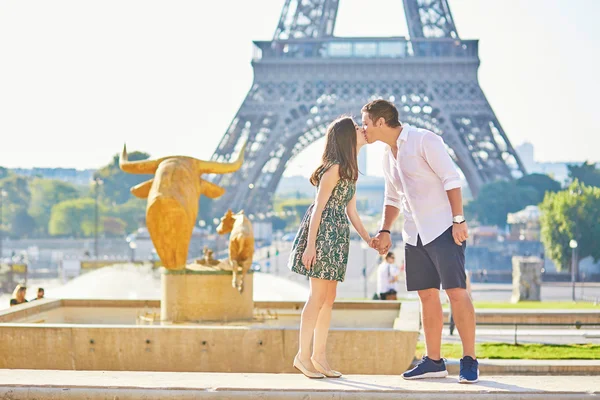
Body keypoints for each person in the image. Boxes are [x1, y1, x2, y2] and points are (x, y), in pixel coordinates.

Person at [362, 99, 478, 384]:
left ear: (380, 122)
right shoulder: (387, 156)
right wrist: (385, 230)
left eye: (366, 123)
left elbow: (451, 179)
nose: (363, 128)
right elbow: (392, 198)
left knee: (456, 292)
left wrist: (459, 219)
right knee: (426, 295)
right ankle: (434, 361)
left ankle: (469, 359)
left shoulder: (425, 140)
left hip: (443, 229)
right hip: (414, 234)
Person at [288, 116, 374, 379]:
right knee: (317, 297)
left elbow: (352, 211)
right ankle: (303, 356)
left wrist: (368, 239)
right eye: (358, 128)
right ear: (348, 137)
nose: (363, 130)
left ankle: (319, 356)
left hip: (337, 237)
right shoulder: (334, 168)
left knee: (329, 298)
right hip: (324, 234)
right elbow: (318, 208)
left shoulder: (350, 170)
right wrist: (310, 246)